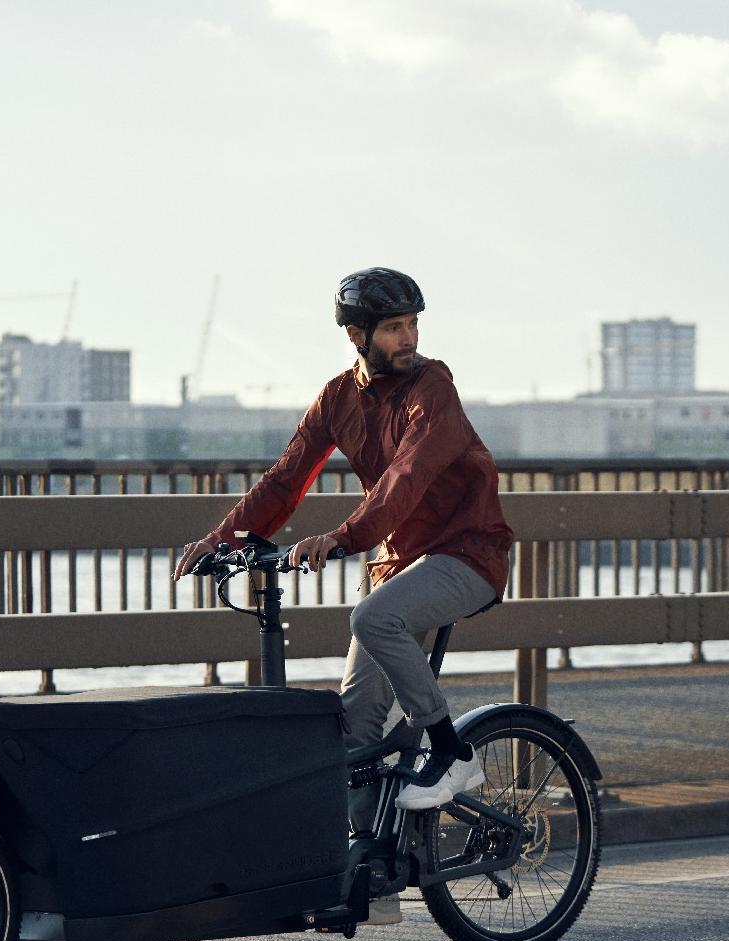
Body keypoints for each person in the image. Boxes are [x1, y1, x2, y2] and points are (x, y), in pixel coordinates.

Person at [173, 266, 513, 831]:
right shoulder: (337, 398)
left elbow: (409, 474)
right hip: (395, 562)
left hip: (468, 552)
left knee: (374, 617)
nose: (408, 339)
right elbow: (285, 481)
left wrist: (342, 537)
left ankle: (453, 754)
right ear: (357, 335)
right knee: (356, 726)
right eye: (393, 328)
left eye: (413, 325)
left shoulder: (434, 387)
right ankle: (362, 875)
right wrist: (221, 540)